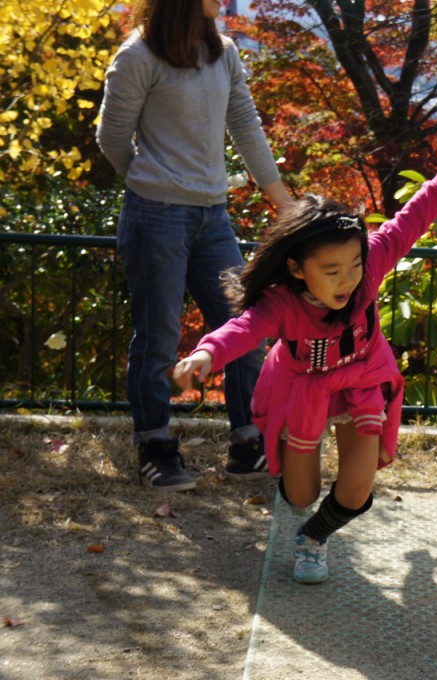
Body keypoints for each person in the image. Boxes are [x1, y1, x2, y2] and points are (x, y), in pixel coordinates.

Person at [173, 143, 437, 584]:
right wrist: (206, 353)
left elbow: (412, 219)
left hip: (362, 382)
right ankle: (300, 480)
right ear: (297, 269)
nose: (347, 281)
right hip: (303, 388)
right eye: (331, 271)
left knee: (357, 489)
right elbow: (243, 328)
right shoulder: (282, 302)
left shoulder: (370, 266)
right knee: (300, 494)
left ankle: (313, 538)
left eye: (355, 265)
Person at [97, 0, 293, 491]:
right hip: (155, 216)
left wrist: (285, 205)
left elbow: (246, 126)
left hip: (213, 216)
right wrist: (153, 180)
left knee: (245, 326)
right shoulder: (137, 57)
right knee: (159, 336)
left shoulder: (222, 52)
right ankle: (155, 447)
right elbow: (112, 137)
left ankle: (248, 444)